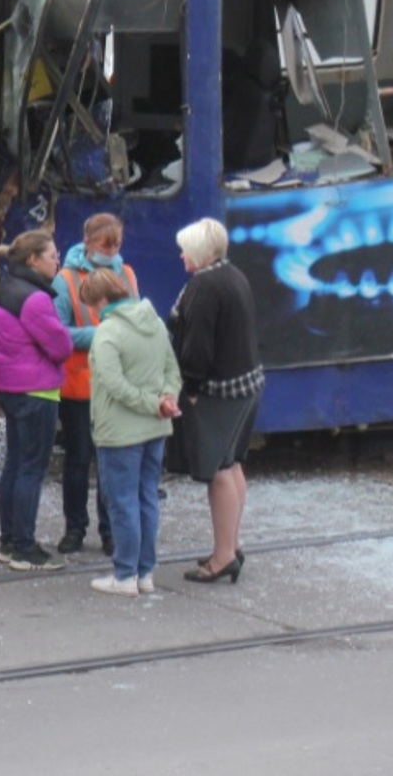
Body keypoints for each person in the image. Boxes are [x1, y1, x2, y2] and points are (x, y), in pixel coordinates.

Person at [168, 218, 263, 585]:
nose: (180, 255)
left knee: (218, 471)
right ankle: (231, 546)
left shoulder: (204, 286)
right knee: (234, 463)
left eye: (184, 249)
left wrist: (189, 387)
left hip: (218, 392)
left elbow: (197, 346)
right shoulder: (232, 274)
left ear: (198, 253)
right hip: (246, 384)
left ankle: (223, 557)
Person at [79, 269, 179, 596]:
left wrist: (151, 403)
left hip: (119, 432)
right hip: (156, 429)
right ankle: (145, 573)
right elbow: (171, 371)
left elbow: (114, 384)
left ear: (103, 301)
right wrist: (165, 400)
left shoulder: (108, 333)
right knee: (147, 497)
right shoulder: (155, 322)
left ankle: (124, 575)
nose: (92, 313)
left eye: (92, 306)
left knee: (122, 502)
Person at [50, 213, 138, 557]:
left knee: (110, 462)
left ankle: (109, 530)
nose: (113, 250)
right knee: (78, 460)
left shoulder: (126, 274)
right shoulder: (66, 280)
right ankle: (75, 528)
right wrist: (102, 335)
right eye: (106, 244)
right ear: (88, 243)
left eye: (117, 244)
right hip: (79, 387)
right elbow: (59, 333)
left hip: (114, 386)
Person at [0, 230, 75, 571]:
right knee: (31, 469)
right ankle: (24, 547)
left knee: (14, 464)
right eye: (53, 255)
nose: (58, 260)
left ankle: (8, 541)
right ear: (33, 260)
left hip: (10, 387)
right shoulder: (36, 299)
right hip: (36, 391)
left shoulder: (5, 288)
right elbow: (61, 347)